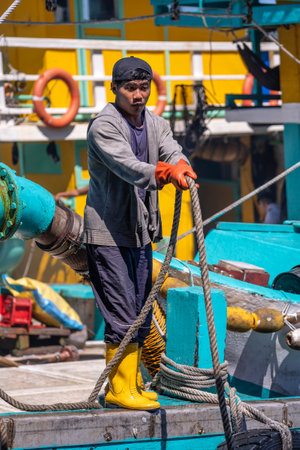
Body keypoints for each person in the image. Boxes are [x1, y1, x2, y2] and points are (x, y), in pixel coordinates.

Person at [82, 56, 197, 411]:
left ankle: (130, 384)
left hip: (141, 234)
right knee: (122, 313)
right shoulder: (103, 126)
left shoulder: (156, 123)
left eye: (143, 88)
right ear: (114, 89)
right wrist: (164, 173)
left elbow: (172, 149)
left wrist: (182, 166)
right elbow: (128, 166)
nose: (138, 95)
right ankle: (118, 389)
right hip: (108, 235)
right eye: (130, 88)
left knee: (142, 312)